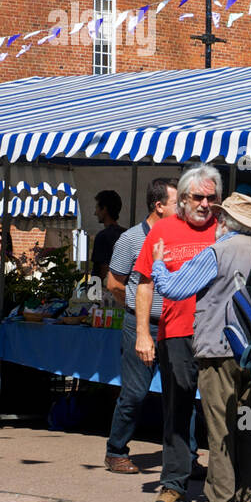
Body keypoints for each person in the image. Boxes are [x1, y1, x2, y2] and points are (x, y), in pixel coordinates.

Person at [151, 193, 251, 502]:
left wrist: (159, 265)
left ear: (225, 222)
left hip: (219, 352)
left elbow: (174, 288)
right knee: (247, 426)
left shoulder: (218, 251)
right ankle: (248, 498)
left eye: (218, 218)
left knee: (221, 427)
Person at [134, 165, 220, 502]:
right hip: (176, 333)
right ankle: (173, 482)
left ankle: (223, 487)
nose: (204, 204)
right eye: (197, 197)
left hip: (219, 335)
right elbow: (144, 283)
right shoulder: (163, 230)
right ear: (182, 199)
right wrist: (143, 333)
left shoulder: (224, 230)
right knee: (177, 409)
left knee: (220, 411)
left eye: (211, 198)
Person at [102, 178, 178, 474]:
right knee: (135, 393)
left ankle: (187, 456)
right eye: (177, 203)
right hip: (141, 325)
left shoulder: (179, 237)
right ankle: (116, 451)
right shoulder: (131, 239)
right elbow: (113, 283)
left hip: (175, 326)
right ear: (159, 206)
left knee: (181, 393)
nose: (184, 208)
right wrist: (136, 310)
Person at [91, 189, 125, 283]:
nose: (95, 213)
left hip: (106, 291)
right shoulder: (127, 234)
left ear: (104, 209)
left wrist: (92, 292)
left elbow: (101, 270)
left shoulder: (103, 236)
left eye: (97, 208)